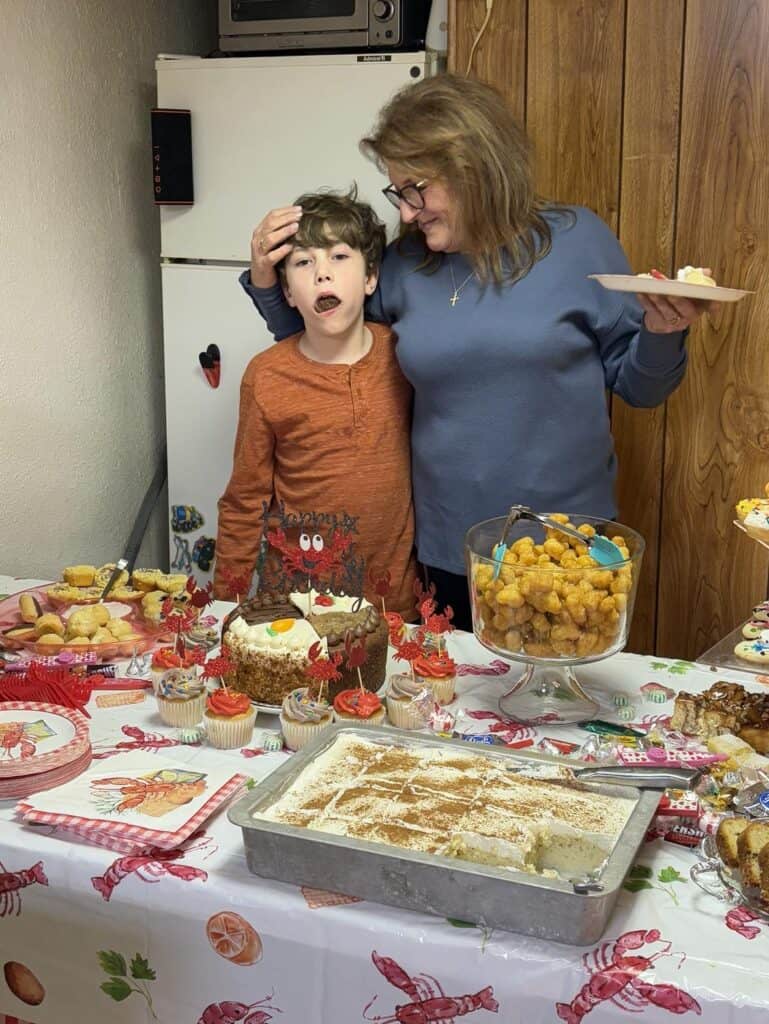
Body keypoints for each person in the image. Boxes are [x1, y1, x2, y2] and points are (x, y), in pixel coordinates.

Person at [239, 74, 713, 631]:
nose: (408, 212)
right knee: (453, 709)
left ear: (473, 167)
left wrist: (662, 331)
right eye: (399, 195)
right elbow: (324, 346)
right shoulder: (403, 266)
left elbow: (642, 387)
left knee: (561, 705)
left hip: (568, 546)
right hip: (448, 548)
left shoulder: (579, 240)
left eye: (415, 190)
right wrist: (269, 282)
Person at [214, 189, 417, 619]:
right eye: (304, 263)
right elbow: (244, 499)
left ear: (370, 278)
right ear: (287, 292)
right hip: (296, 608)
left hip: (395, 607)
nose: (323, 275)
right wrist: (222, 606)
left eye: (339, 257)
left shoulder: (407, 357)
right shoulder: (266, 375)